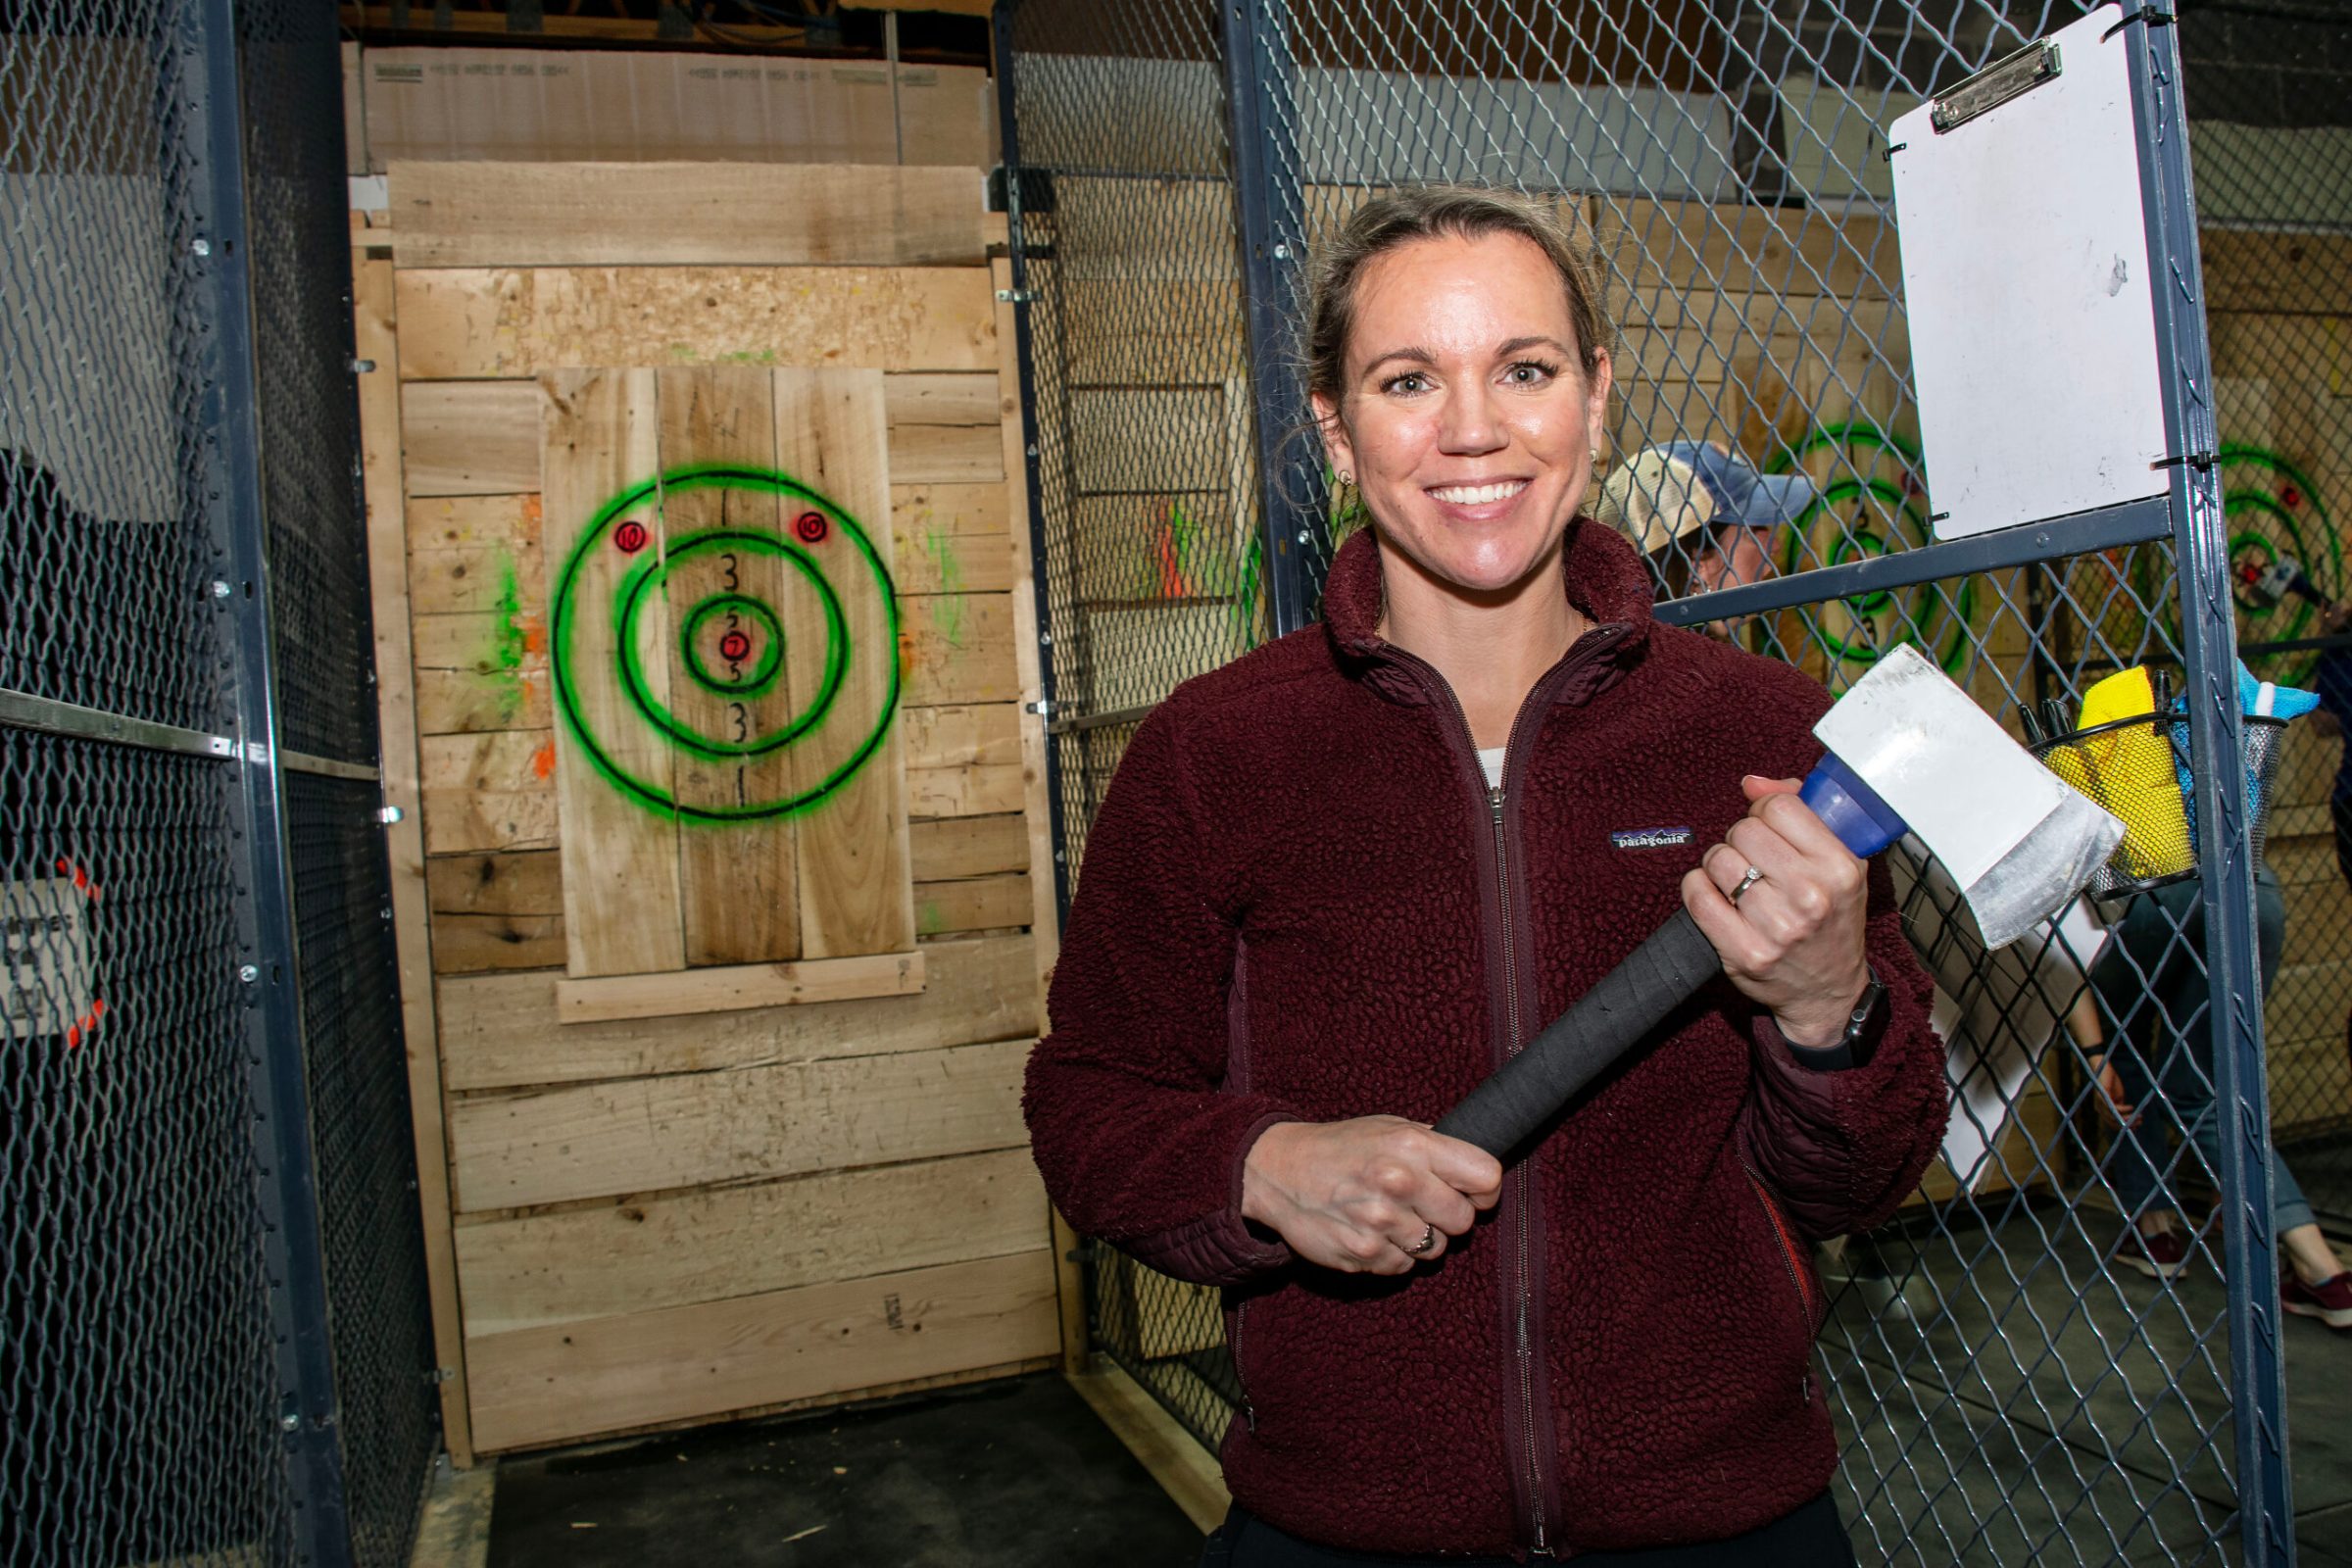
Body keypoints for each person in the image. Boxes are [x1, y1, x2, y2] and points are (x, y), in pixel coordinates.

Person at [1022, 185, 1950, 1565]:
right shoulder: (1216, 754)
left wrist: (1832, 1012)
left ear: (1594, 396)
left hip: (1723, 1516)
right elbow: (1088, 1105)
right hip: (1344, 1525)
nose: (1473, 429)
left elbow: (1859, 1176)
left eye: (1525, 368)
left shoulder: (1754, 734)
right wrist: (1263, 1164)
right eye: (1409, 380)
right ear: (1338, 430)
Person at [2089, 870, 2352, 1328]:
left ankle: (2155, 1234)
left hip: (2144, 885)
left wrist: (2094, 1057)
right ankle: (2323, 1270)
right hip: (2250, 883)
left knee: (2119, 1045)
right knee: (2202, 1088)